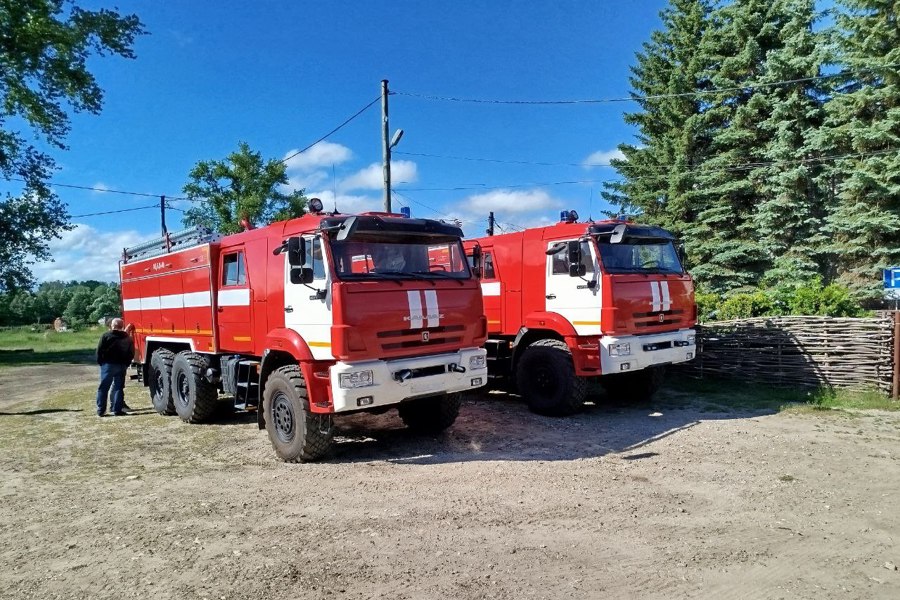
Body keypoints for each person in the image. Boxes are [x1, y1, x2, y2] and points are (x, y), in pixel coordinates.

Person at [96, 318, 135, 417]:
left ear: (112, 326)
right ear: (122, 326)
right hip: (121, 365)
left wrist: (101, 362)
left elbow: (99, 351)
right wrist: (126, 363)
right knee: (118, 388)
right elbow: (131, 352)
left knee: (103, 388)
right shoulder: (127, 337)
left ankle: (101, 410)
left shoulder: (105, 336)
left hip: (108, 365)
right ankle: (117, 410)